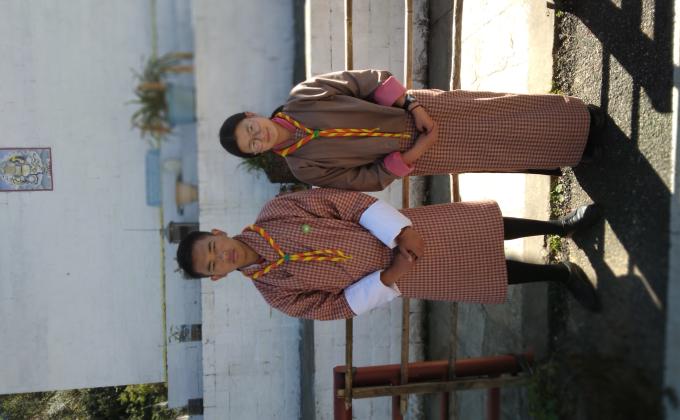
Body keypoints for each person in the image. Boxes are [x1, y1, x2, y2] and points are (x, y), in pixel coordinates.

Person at [176, 188, 602, 320]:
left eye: (213, 247)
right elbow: (336, 307)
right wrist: (389, 276)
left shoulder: (276, 213)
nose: (222, 257)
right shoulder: (276, 293)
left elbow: (345, 203)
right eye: (213, 265)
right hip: (401, 275)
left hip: (400, 231)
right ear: (217, 277)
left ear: (218, 233)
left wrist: (400, 233)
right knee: (482, 271)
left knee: (482, 228)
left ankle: (561, 226)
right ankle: (561, 274)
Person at [219, 69, 604, 191]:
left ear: (254, 114)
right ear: (258, 153)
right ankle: (572, 151)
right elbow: (365, 179)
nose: (258, 136)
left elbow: (369, 81)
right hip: (421, 153)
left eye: (251, 127)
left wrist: (413, 106)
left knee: (499, 112)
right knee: (494, 150)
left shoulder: (304, 96)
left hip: (422, 111)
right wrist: (414, 154)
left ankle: (578, 116)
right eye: (251, 144)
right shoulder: (303, 167)